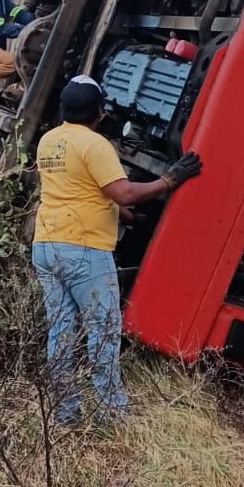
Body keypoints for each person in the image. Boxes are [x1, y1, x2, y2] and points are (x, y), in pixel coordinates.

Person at [32, 76, 203, 426]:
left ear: (65, 109)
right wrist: (170, 179)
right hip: (83, 249)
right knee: (104, 330)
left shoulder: (49, 141)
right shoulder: (94, 145)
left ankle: (65, 414)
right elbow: (124, 192)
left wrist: (124, 216)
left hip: (47, 245)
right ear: (99, 111)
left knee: (61, 331)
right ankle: (113, 414)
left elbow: (78, 188)